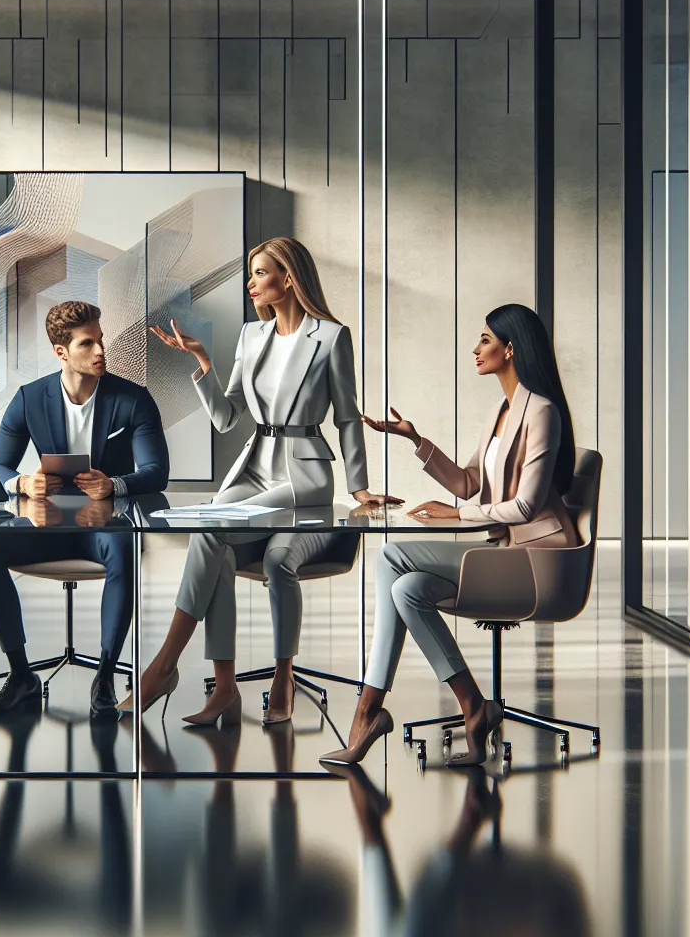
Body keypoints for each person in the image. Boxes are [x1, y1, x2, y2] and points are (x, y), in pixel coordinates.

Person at [131, 237, 390, 726]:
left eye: (260, 273)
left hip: (303, 473)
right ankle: (224, 686)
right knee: (209, 535)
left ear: (288, 278)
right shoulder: (251, 336)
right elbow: (228, 417)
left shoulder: (332, 337)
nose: (250, 283)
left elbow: (347, 417)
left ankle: (167, 667)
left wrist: (358, 488)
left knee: (229, 535)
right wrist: (203, 364)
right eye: (251, 273)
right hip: (255, 465)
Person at [322, 303, 580, 768]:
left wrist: (458, 514)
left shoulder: (542, 412)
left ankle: (367, 710)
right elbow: (467, 482)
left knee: (389, 557)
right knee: (408, 588)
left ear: (510, 349)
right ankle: (474, 705)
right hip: (504, 552)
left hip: (537, 562)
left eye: (485, 339)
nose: (476, 348)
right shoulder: (499, 411)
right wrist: (414, 439)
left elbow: (524, 506)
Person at [0, 300, 169, 720]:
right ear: (61, 352)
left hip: (106, 527)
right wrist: (22, 483)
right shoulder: (30, 398)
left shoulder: (133, 399)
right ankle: (21, 674)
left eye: (100, 340)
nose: (100, 351)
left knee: (125, 546)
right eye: (87, 344)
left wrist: (114, 484)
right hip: (46, 527)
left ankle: (105, 676)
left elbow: (157, 471)